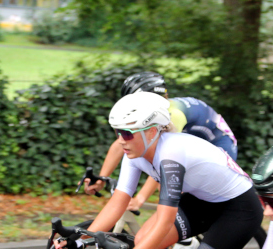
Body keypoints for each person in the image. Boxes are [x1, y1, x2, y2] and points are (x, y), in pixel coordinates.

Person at [57, 92, 262, 249]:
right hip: (201, 201)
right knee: (144, 240)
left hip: (237, 208)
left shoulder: (171, 154)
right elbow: (118, 202)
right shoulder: (135, 153)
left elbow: (165, 220)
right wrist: (80, 239)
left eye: (127, 133)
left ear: (152, 132)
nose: (121, 140)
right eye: (117, 132)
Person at [85, 71, 238, 211]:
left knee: (171, 187)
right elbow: (120, 144)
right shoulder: (154, 114)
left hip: (220, 145)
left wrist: (140, 199)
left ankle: (191, 234)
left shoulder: (173, 115)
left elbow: (166, 159)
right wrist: (101, 178)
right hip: (195, 142)